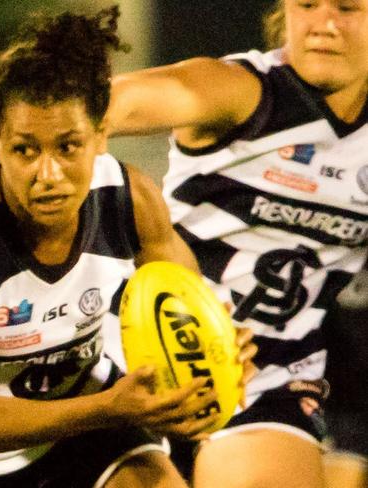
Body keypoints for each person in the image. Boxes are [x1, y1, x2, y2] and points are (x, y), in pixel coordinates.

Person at [0, 6, 256, 488]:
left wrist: (222, 347)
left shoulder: (132, 202)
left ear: (100, 136)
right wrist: (107, 407)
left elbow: (191, 311)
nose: (47, 175)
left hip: (86, 421)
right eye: (25, 150)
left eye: (68, 147)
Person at [106, 0, 368, 487]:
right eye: (307, 5)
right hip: (137, 352)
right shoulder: (240, 90)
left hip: (269, 375)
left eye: (348, 8)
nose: (324, 25)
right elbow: (110, 103)